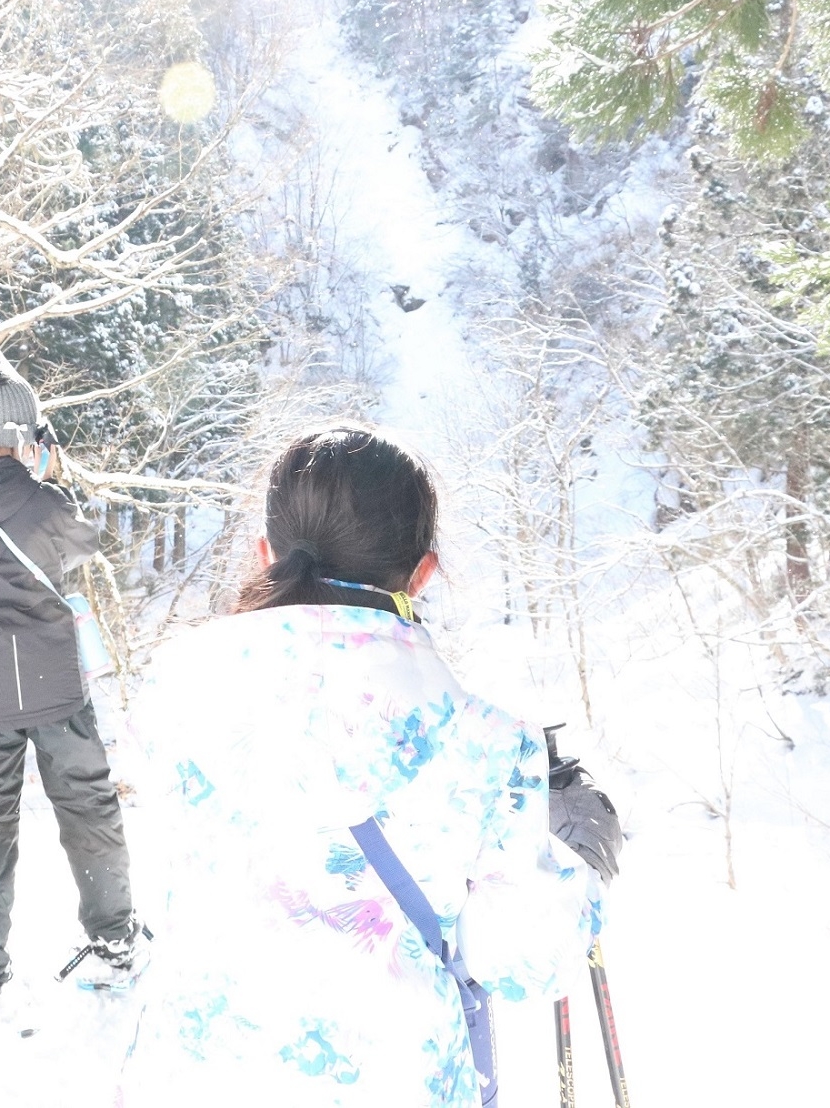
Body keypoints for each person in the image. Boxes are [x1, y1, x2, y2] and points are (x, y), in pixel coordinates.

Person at [118, 426, 601, 1107]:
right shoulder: (488, 744)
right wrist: (579, 860)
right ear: (423, 573)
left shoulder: (172, 691)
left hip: (186, 1075)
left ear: (266, 554)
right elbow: (527, 965)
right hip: (390, 1080)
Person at [0, 350, 140, 1000]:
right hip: (54, 687)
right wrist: (51, 479)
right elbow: (87, 542)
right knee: (87, 807)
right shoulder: (45, 505)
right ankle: (114, 936)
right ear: (22, 435)